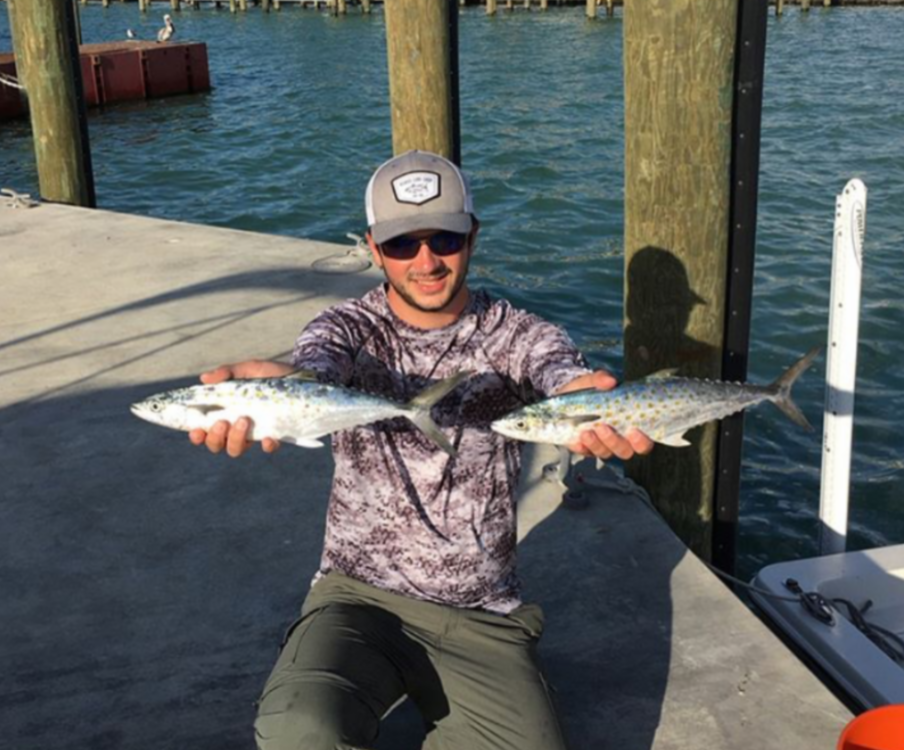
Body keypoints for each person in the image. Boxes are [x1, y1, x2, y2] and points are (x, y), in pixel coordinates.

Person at [189, 150, 654, 750]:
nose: (427, 261)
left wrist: (580, 397)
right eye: (404, 244)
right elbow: (316, 363)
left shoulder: (514, 331)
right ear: (374, 248)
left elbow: (554, 367)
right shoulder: (348, 329)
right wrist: (282, 389)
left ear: (473, 236)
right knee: (299, 731)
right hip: (357, 596)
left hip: (483, 609)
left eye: (445, 239)